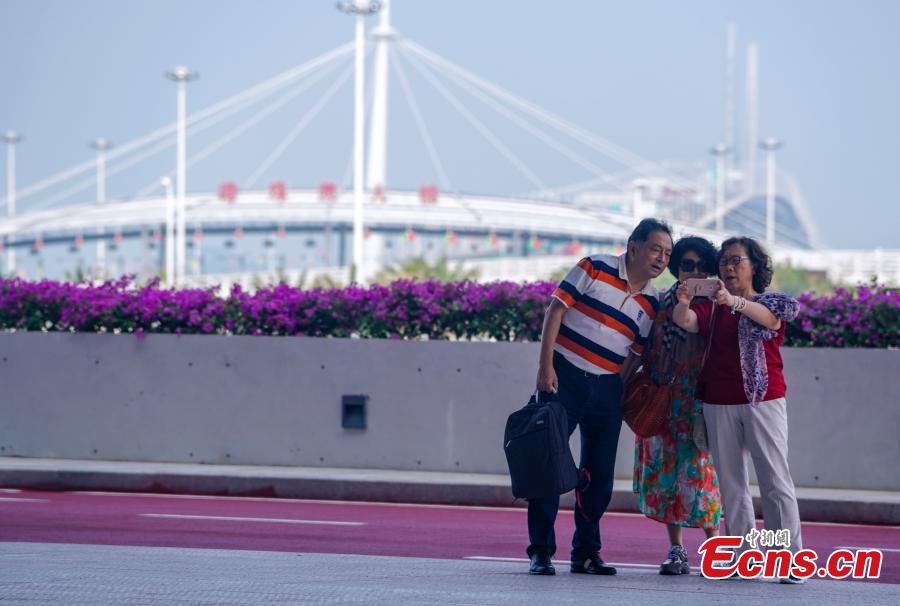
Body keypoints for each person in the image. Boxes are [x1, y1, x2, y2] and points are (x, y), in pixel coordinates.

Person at [528, 218, 672, 576]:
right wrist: (546, 368)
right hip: (564, 378)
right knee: (549, 468)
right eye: (656, 248)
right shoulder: (594, 266)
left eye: (667, 253)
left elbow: (635, 353)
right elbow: (556, 310)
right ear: (634, 246)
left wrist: (617, 387)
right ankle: (541, 553)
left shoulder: (653, 301)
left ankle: (586, 553)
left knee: (599, 478)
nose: (661, 259)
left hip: (607, 389)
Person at [672, 236, 804, 584]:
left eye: (736, 260)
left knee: (775, 481)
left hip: (764, 401)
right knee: (731, 486)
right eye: (724, 262)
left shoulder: (771, 302)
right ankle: (744, 557)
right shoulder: (711, 306)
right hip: (718, 401)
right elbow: (686, 322)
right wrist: (684, 302)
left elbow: (769, 321)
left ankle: (788, 559)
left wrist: (733, 301)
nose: (728, 267)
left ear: (754, 266)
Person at [633, 236, 722, 576]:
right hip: (664, 398)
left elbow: (698, 329)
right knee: (668, 474)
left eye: (702, 266)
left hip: (699, 400)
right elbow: (644, 345)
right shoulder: (662, 299)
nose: (695, 271)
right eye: (687, 265)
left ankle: (716, 548)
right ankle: (677, 550)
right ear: (676, 268)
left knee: (703, 474)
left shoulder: (716, 303)